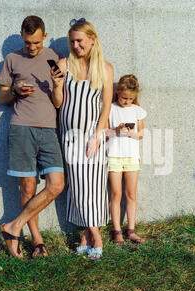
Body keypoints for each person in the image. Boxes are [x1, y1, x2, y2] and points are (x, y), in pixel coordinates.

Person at [0, 15, 64, 258]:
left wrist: (57, 85)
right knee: (28, 186)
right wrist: (15, 90)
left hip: (48, 129)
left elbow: (58, 103)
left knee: (56, 184)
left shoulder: (54, 58)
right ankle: (37, 241)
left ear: (44, 36)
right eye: (28, 43)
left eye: (36, 42)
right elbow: (2, 99)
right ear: (22, 37)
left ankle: (13, 226)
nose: (32, 47)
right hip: (21, 128)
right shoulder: (12, 59)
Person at [51, 18, 114, 260]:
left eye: (80, 41)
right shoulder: (64, 64)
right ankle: (92, 234)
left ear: (92, 40)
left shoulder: (105, 68)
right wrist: (57, 85)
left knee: (95, 185)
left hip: (94, 133)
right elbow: (58, 103)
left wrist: (97, 136)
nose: (76, 45)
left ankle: (89, 236)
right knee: (78, 184)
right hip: (70, 134)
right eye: (72, 41)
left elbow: (106, 105)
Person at [107, 75, 147, 244]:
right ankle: (117, 231)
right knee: (116, 194)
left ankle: (131, 229)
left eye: (131, 98)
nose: (127, 101)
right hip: (114, 155)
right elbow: (104, 133)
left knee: (131, 194)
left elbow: (142, 134)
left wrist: (132, 133)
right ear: (117, 93)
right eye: (124, 98)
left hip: (131, 157)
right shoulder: (110, 108)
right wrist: (116, 130)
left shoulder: (137, 110)